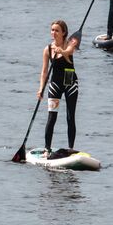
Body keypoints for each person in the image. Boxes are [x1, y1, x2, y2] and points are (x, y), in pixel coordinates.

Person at [37, 19, 80, 158]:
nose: (54, 33)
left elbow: (68, 53)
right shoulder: (47, 49)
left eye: (57, 30)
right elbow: (44, 71)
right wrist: (41, 88)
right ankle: (47, 149)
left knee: (70, 116)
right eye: (52, 30)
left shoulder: (71, 44)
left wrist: (62, 50)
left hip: (70, 83)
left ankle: (71, 148)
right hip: (55, 84)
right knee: (51, 117)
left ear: (64, 33)